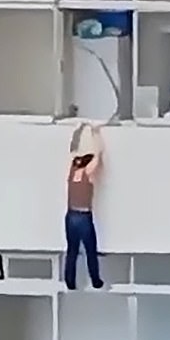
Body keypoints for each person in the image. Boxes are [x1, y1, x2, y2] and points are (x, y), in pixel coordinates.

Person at [64, 123, 105, 291]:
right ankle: (95, 280)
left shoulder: (73, 170)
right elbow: (99, 154)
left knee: (72, 251)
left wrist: (78, 130)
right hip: (84, 217)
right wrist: (95, 133)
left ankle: (70, 281)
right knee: (90, 250)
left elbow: (72, 148)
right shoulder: (88, 173)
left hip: (70, 216)